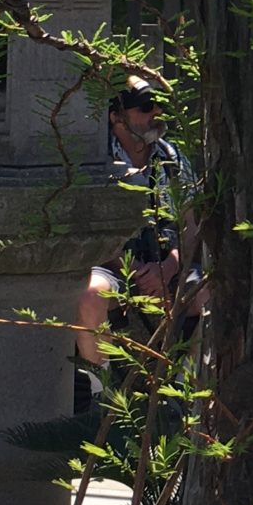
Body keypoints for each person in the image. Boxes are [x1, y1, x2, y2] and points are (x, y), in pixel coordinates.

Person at [76, 75, 201, 368]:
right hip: (115, 265)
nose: (156, 114)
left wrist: (170, 264)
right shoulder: (98, 160)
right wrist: (136, 272)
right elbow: (89, 231)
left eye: (158, 106)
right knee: (90, 295)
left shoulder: (172, 157)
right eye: (145, 108)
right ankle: (101, 384)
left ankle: (189, 382)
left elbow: (192, 224)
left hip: (167, 264)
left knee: (209, 290)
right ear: (116, 117)